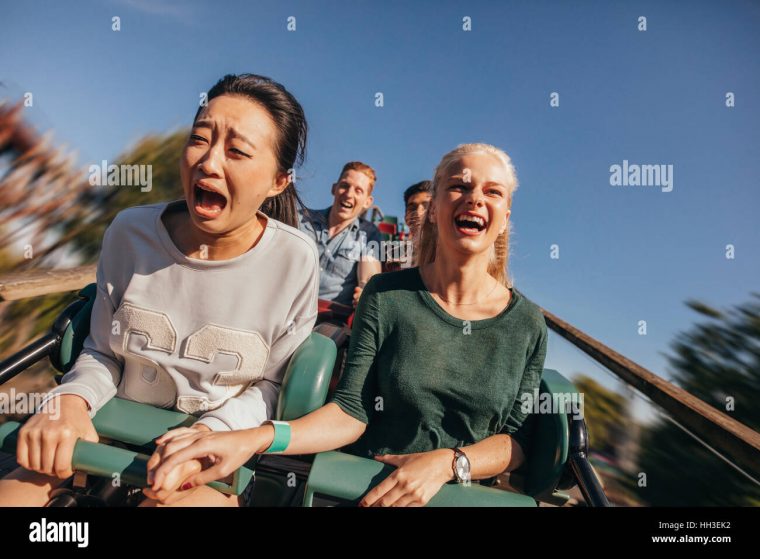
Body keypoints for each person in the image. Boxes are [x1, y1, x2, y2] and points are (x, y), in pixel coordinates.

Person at [147, 143, 548, 507]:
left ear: (505, 216)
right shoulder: (387, 295)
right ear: (437, 206)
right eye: (459, 187)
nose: (475, 198)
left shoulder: (527, 323)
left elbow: (516, 440)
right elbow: (352, 411)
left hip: (459, 493)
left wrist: (446, 463)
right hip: (368, 488)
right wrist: (254, 438)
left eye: (492, 191)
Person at [0, 73, 319, 507]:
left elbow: (269, 387)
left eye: (238, 151)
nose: (209, 163)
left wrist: (210, 434)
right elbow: (101, 351)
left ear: (278, 182)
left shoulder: (295, 260)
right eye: (200, 139)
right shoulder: (130, 232)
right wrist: (70, 401)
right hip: (99, 436)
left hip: (209, 464)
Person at [298, 162, 382, 307]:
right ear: (334, 188)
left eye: (358, 190)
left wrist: (365, 290)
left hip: (330, 320)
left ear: (367, 202)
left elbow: (369, 277)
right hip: (284, 307)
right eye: (344, 185)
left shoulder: (369, 234)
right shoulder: (301, 219)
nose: (349, 194)